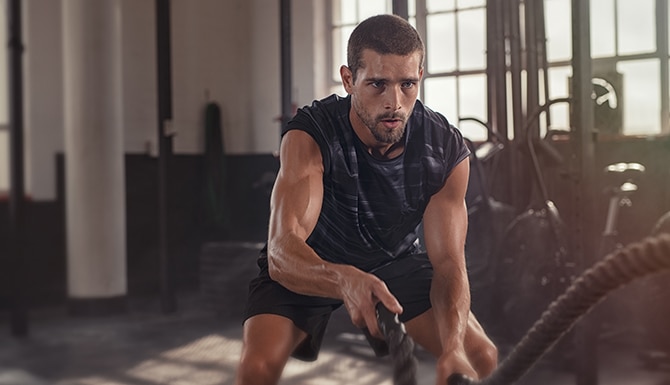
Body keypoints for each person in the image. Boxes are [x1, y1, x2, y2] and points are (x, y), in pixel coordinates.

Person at [235, 14, 498, 385]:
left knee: (479, 357)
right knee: (255, 370)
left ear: (419, 77)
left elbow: (449, 264)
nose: (395, 103)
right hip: (312, 258)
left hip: (392, 259)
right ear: (348, 80)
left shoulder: (444, 149)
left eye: (407, 84)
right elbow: (281, 252)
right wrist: (343, 279)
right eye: (378, 84)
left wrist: (452, 346)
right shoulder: (311, 135)